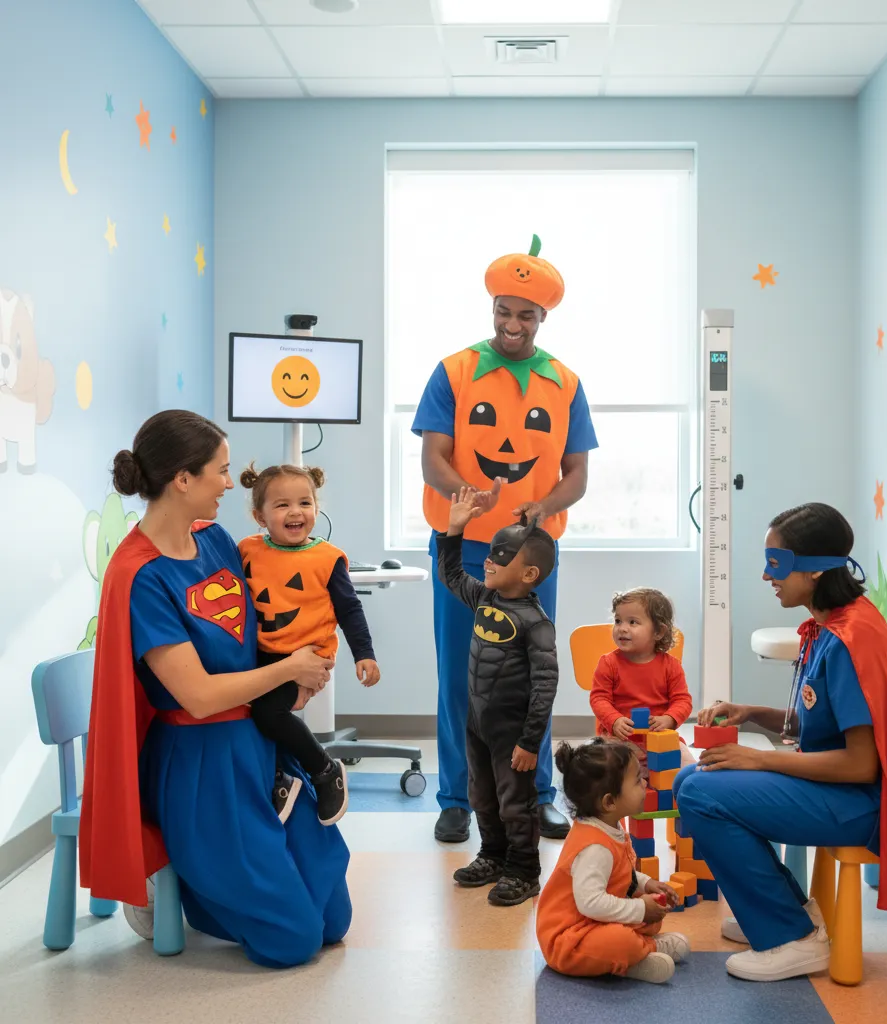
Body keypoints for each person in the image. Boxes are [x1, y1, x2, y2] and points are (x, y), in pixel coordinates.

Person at [79, 410, 352, 969]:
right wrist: (287, 671)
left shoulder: (217, 540)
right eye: (221, 471)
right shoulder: (142, 576)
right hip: (201, 762)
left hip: (257, 742)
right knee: (291, 943)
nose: (231, 483)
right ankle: (176, 885)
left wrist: (302, 668)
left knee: (333, 923)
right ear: (183, 479)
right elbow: (198, 695)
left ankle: (203, 875)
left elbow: (263, 627)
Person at [671, 503, 887, 982]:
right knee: (696, 775)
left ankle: (791, 938)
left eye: (776, 564)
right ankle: (789, 914)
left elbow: (862, 765)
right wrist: (754, 714)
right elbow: (819, 726)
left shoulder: (847, 640)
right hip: (848, 792)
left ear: (814, 572)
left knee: (699, 792)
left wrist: (759, 760)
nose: (765, 575)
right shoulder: (834, 624)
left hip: (869, 804)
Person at [413, 234, 598, 843]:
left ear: (542, 318)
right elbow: (433, 458)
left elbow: (577, 474)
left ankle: (538, 793)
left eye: (525, 314)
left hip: (533, 554)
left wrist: (542, 505)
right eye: (503, 311)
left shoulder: (565, 383)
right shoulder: (455, 372)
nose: (512, 323)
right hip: (464, 544)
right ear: (491, 310)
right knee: (460, 675)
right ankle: (458, 799)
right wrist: (465, 495)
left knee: (529, 672)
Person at [238, 462, 381, 826]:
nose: (295, 512)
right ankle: (277, 777)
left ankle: (324, 769)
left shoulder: (327, 559)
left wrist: (364, 654)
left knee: (268, 713)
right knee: (241, 711)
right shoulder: (248, 551)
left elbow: (350, 610)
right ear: (260, 515)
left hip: (307, 654)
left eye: (304, 502)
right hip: (262, 653)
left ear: (316, 509)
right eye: (282, 505)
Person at [439, 487, 558, 906]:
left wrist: (530, 741)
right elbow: (452, 576)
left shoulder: (536, 624)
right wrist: (454, 530)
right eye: (492, 551)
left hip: (512, 733)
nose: (490, 559)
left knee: (516, 804)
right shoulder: (486, 597)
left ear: (528, 575)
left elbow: (545, 686)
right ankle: (492, 854)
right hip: (478, 723)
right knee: (482, 797)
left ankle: (524, 870)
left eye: (502, 556)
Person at [536, 738, 690, 984]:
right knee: (621, 939)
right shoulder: (594, 847)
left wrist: (646, 884)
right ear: (609, 802)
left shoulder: (608, 826)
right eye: (638, 780)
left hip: (592, 923)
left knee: (652, 914)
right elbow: (591, 903)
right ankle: (639, 954)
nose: (646, 783)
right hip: (568, 940)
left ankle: (639, 946)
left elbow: (619, 873)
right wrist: (640, 909)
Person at [589, 589, 693, 756]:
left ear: (658, 632)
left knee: (687, 765)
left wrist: (669, 719)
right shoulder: (608, 663)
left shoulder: (671, 666)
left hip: (658, 737)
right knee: (606, 764)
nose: (622, 628)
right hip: (619, 739)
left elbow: (682, 700)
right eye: (618, 621)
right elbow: (599, 699)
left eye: (632, 622)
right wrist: (614, 720)